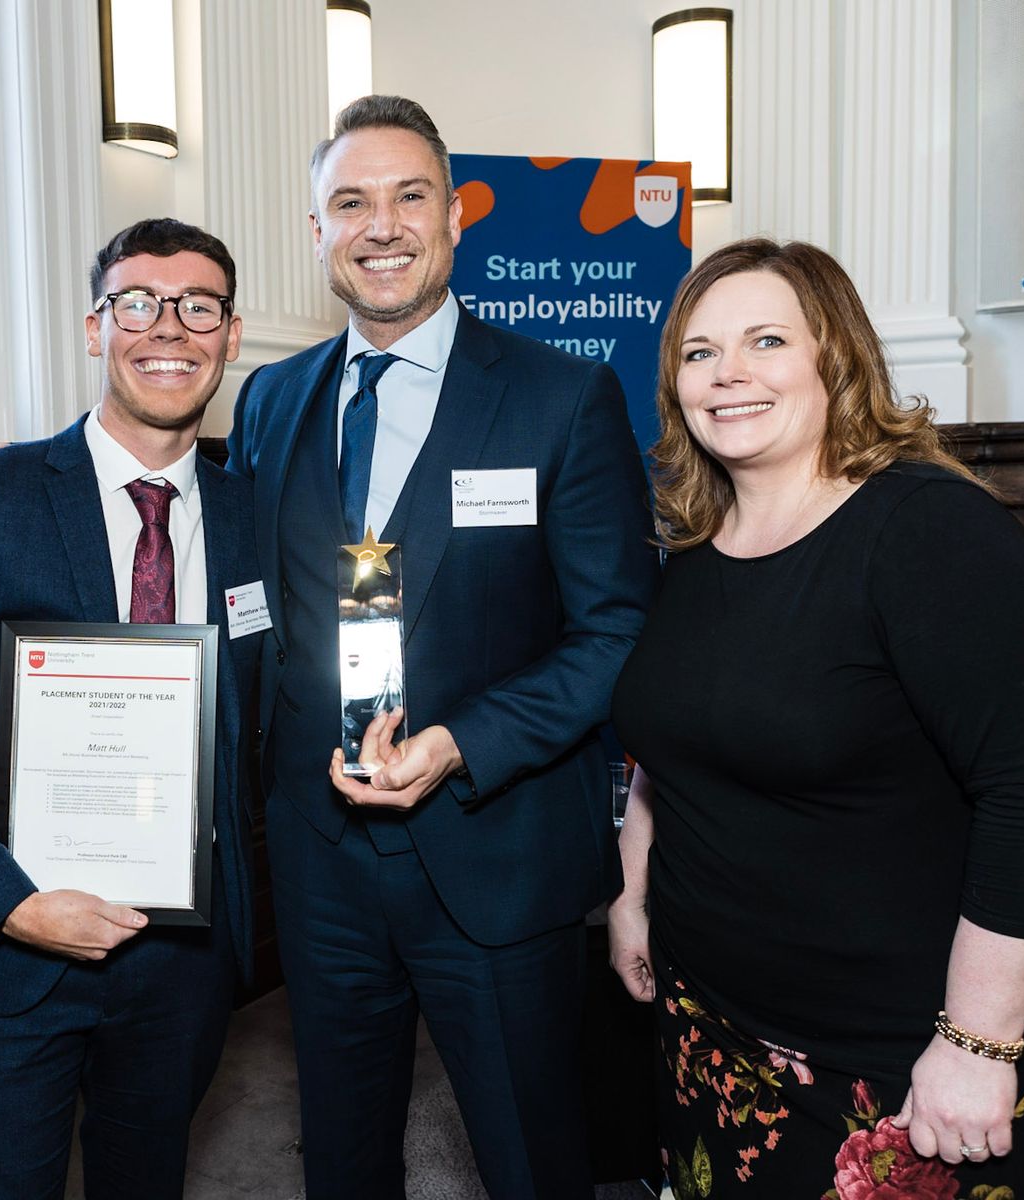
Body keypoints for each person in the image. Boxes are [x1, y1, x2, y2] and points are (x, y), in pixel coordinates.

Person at [226, 95, 657, 1198]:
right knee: (343, 1151)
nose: (381, 225)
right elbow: (261, 610)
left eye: (409, 196)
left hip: (497, 852)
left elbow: (618, 628)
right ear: (314, 230)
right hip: (320, 862)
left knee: (528, 1156)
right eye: (349, 202)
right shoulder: (273, 400)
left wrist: (464, 741)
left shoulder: (564, 397)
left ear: (456, 216)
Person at [608, 237, 1024, 1196]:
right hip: (716, 1032)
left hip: (907, 1061)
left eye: (765, 341)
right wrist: (633, 893)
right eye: (699, 352)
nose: (728, 373)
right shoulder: (697, 548)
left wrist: (975, 1045)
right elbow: (672, 747)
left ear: (837, 357)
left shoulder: (930, 530)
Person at [0, 218, 262, 1199]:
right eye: (138, 301)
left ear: (228, 333)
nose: (167, 327)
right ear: (96, 327)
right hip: (11, 954)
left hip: (183, 961)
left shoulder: (253, 518)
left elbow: (269, 729)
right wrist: (10, 903)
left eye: (198, 306)